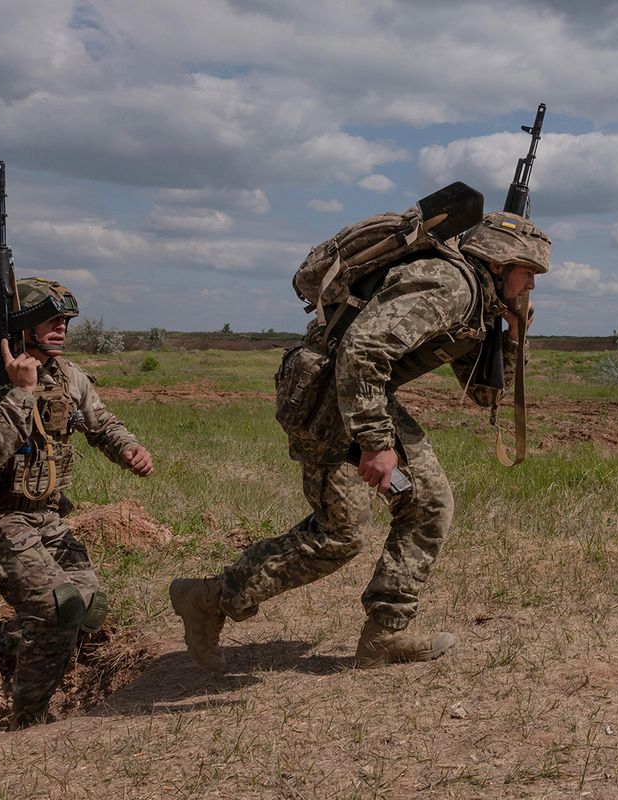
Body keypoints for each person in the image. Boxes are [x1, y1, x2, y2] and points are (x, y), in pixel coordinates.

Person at [170, 211, 550, 669]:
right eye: (529, 272)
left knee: (427, 504)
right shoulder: (450, 285)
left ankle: (384, 636)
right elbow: (363, 348)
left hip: (359, 394)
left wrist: (514, 333)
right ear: (499, 262)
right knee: (340, 534)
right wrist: (375, 442)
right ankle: (208, 598)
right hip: (329, 398)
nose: (531, 285)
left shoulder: (477, 300)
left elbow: (485, 392)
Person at [0, 277, 153, 728]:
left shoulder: (67, 375)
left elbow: (101, 422)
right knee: (57, 609)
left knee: (87, 608)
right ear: (24, 325)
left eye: (66, 321)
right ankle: (31, 722)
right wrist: (20, 392)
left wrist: (128, 448)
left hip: (45, 516)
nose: (62, 328)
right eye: (52, 320)